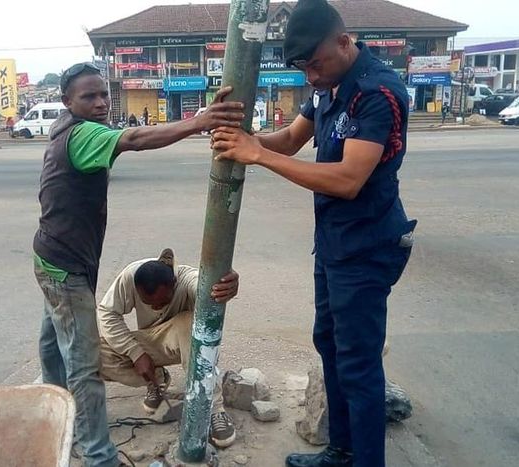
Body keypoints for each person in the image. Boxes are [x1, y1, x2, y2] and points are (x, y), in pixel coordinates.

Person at [211, 1, 416, 466]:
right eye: (303, 68)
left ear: (344, 42)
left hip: (368, 246)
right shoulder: (331, 85)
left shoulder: (377, 92)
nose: (311, 76)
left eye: (316, 64)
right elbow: (288, 140)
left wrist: (256, 156)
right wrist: (235, 135)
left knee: (359, 366)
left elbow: (347, 180)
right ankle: (341, 451)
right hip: (335, 245)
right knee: (330, 345)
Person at [32, 62, 244, 467]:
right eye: (88, 97)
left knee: (51, 345)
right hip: (66, 267)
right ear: (67, 102)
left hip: (49, 257)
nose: (99, 103)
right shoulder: (81, 133)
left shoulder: (62, 128)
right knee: (83, 365)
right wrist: (199, 121)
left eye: (103, 95)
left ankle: (49, 413)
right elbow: (136, 137)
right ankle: (98, 455)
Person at [97, 248, 239, 448]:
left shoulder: (187, 279)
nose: (155, 308)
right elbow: (107, 313)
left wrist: (224, 282)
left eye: (161, 303)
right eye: (149, 304)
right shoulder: (131, 276)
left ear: (173, 284)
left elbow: (206, 287)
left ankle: (215, 409)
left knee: (189, 323)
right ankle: (157, 380)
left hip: (182, 341)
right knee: (90, 351)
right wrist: (135, 353)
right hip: (150, 342)